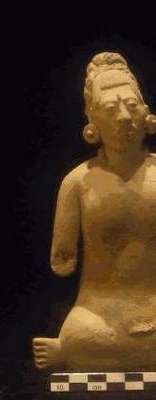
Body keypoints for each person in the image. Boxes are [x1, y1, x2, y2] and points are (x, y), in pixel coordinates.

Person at [33, 52, 156, 371]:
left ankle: (70, 351)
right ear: (93, 122)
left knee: (78, 345)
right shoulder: (77, 183)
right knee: (82, 335)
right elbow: (62, 262)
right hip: (99, 315)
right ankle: (71, 349)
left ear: (146, 114)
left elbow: (61, 262)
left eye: (131, 105)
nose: (124, 117)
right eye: (111, 109)